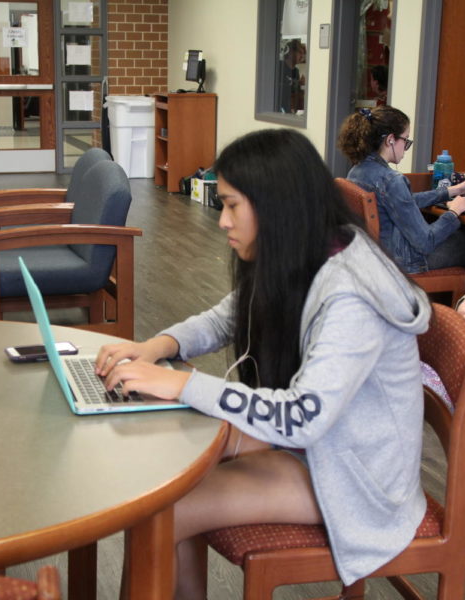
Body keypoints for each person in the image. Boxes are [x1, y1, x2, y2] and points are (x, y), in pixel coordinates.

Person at [95, 129, 431, 599]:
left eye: (232, 205)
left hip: (353, 478)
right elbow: (229, 315)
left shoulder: (351, 293)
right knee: (164, 483)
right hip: (324, 449)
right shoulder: (309, 250)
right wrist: (159, 345)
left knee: (162, 507)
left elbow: (301, 418)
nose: (222, 221)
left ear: (276, 206)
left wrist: (182, 386)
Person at [338, 105, 465, 285]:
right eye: (406, 140)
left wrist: (452, 191)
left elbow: (402, 203)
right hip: (406, 262)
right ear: (391, 140)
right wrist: (454, 212)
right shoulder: (391, 179)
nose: (406, 147)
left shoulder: (357, 171)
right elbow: (426, 241)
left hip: (379, 255)